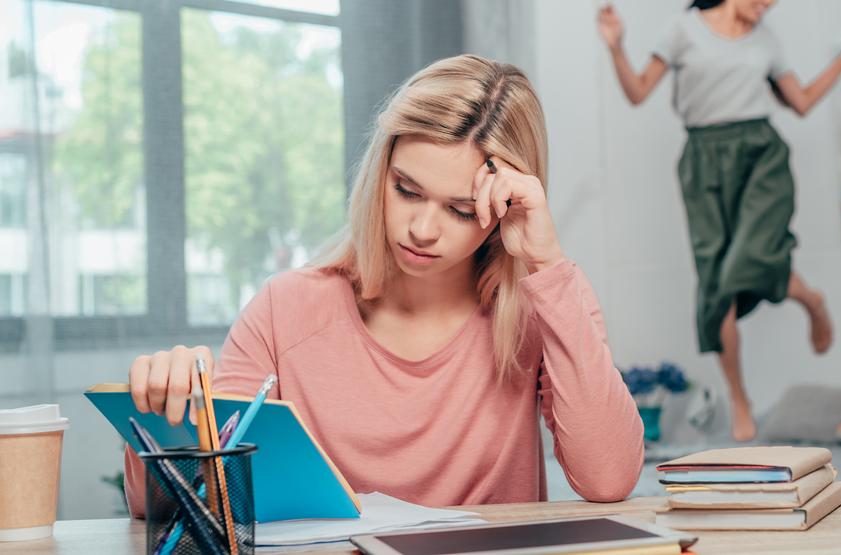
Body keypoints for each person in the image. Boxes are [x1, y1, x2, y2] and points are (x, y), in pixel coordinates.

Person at [121, 54, 644, 516]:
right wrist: (165, 418)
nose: (421, 229)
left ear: (503, 208)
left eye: (461, 210)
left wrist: (546, 262)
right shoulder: (287, 309)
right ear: (381, 172)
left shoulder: (542, 307)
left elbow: (609, 478)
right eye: (407, 190)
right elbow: (171, 505)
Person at [597, 0, 841, 441]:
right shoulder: (682, 29)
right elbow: (639, 92)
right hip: (704, 160)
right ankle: (741, 396)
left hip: (761, 156)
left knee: (748, 258)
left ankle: (810, 300)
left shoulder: (766, 40)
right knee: (716, 286)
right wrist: (617, 46)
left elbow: (802, 102)